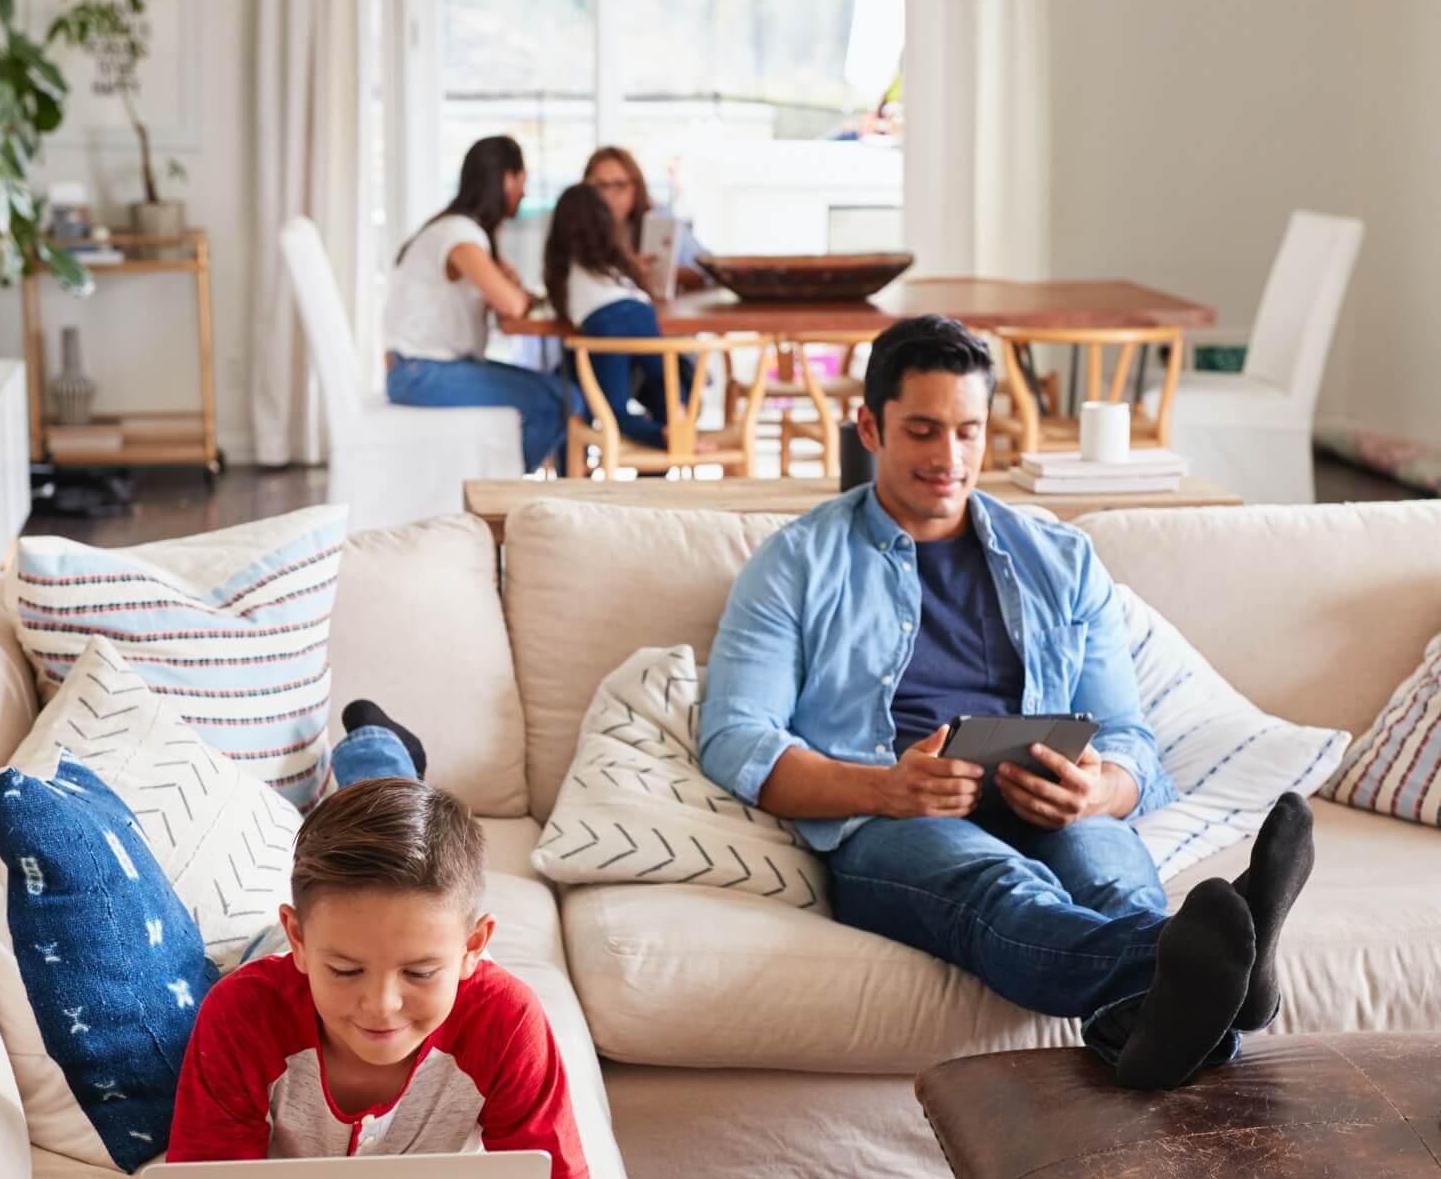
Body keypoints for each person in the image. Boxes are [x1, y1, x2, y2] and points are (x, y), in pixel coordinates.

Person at [700, 315, 1317, 1091]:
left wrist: (1099, 788)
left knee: (1115, 884)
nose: (948, 459)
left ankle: (1176, 1011)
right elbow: (733, 734)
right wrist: (885, 787)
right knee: (1002, 889)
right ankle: (1242, 969)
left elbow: (1128, 735)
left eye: (967, 431)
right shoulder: (797, 562)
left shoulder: (1059, 559)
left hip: (1048, 809)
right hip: (894, 825)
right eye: (922, 431)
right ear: (870, 426)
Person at [167, 702, 587, 1179]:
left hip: (402, 938)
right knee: (370, 825)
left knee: (391, 816)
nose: (381, 1005)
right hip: (263, 949)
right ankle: (381, 758)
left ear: (473, 949)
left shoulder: (506, 1019)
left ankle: (383, 752)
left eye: (419, 972)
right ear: (297, 938)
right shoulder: (243, 1010)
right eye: (345, 970)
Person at [384, 135, 582, 471]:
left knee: (561, 392)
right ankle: (501, 493)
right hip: (420, 373)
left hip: (423, 368)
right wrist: (511, 286)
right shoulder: (459, 236)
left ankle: (504, 485)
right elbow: (512, 305)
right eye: (522, 182)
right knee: (564, 397)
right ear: (508, 178)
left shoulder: (456, 229)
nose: (524, 192)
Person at [543, 182, 692, 450]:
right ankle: (678, 424)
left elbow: (561, 311)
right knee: (667, 383)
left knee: (613, 411)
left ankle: (660, 436)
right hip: (641, 313)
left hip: (605, 322)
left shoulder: (564, 268)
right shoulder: (616, 264)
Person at [584, 145, 709, 295]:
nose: (609, 196)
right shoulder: (574, 227)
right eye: (600, 186)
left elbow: (709, 269)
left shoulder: (659, 218)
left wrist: (664, 274)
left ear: (636, 188)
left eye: (619, 185)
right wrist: (626, 271)